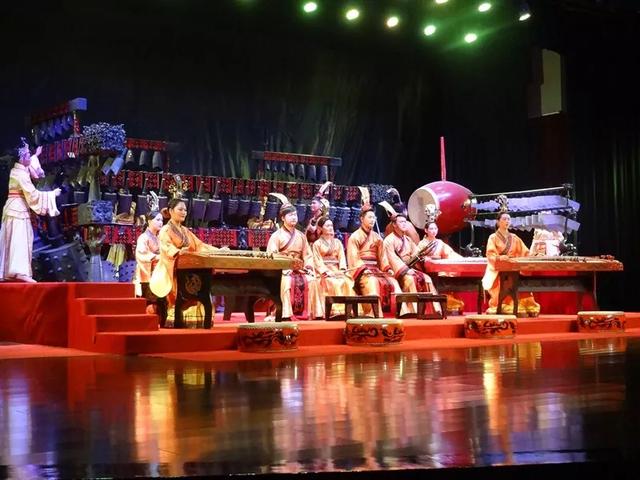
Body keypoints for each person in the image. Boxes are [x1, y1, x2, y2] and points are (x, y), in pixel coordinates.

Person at [150, 197, 218, 326]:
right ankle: (174, 317)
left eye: (185, 210)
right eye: (180, 209)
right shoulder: (165, 230)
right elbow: (167, 248)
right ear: (171, 211)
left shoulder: (185, 231)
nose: (184, 212)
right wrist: (179, 252)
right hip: (171, 268)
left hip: (187, 267)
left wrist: (218, 250)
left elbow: (200, 245)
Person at [0, 138, 60, 282]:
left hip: (14, 209)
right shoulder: (20, 174)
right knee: (19, 240)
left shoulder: (18, 169)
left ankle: (11, 271)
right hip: (18, 210)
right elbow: (33, 195)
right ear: (21, 158)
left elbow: (33, 170)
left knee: (15, 240)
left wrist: (35, 156)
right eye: (27, 154)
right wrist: (52, 195)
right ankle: (20, 272)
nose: (29, 156)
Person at [266, 193, 322, 320]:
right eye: (290, 215)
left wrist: (308, 267)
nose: (293, 217)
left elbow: (308, 255)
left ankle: (312, 313)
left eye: (295, 215)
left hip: (299, 269)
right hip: (283, 271)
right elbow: (272, 256)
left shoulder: (301, 236)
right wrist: (285, 267)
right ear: (283, 218)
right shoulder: (276, 236)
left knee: (312, 280)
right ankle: (285, 313)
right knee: (287, 282)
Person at [346, 188, 401, 316]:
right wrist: (364, 269)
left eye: (374, 217)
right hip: (362, 271)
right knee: (372, 282)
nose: (372, 220)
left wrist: (387, 268)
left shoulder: (377, 237)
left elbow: (382, 257)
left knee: (393, 282)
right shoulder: (355, 237)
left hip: (376, 269)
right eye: (369, 217)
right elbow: (353, 258)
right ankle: (373, 313)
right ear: (362, 219)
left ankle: (395, 313)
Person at [381, 205, 438, 316]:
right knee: (410, 280)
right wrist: (406, 270)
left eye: (405, 222)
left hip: (409, 267)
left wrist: (422, 257)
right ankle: (413, 311)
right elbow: (392, 258)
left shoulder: (408, 239)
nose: (404, 224)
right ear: (394, 224)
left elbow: (415, 253)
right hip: (398, 270)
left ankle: (433, 310)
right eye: (401, 222)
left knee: (427, 278)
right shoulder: (389, 240)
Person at [481, 212, 539, 316]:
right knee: (503, 281)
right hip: (499, 269)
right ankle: (503, 304)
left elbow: (524, 252)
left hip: (513, 268)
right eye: (504, 219)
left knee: (518, 278)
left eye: (508, 219)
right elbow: (490, 254)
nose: (507, 221)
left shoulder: (514, 237)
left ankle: (522, 303)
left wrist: (534, 255)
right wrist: (499, 258)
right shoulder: (493, 237)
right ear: (498, 222)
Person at [416, 221, 465, 314]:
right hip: (428, 269)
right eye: (431, 229)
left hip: (438, 267)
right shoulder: (422, 244)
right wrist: (427, 259)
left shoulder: (439, 242)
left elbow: (449, 253)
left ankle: (449, 303)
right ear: (426, 230)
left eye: (435, 228)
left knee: (447, 273)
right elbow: (418, 256)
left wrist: (461, 260)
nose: (434, 231)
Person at [312, 216, 354, 317]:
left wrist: (342, 269)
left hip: (336, 270)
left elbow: (342, 258)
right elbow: (317, 261)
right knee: (333, 282)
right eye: (327, 226)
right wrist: (325, 271)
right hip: (324, 272)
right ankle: (335, 310)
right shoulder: (317, 244)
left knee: (348, 281)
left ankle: (348, 309)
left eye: (331, 225)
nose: (330, 227)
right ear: (321, 228)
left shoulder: (338, 242)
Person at [134, 204, 167, 322]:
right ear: (149, 221)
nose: (160, 222)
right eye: (157, 220)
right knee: (150, 299)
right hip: (148, 272)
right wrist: (156, 257)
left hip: (159, 271)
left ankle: (162, 320)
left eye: (162, 220)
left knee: (162, 299)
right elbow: (141, 254)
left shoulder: (159, 237)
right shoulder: (143, 237)